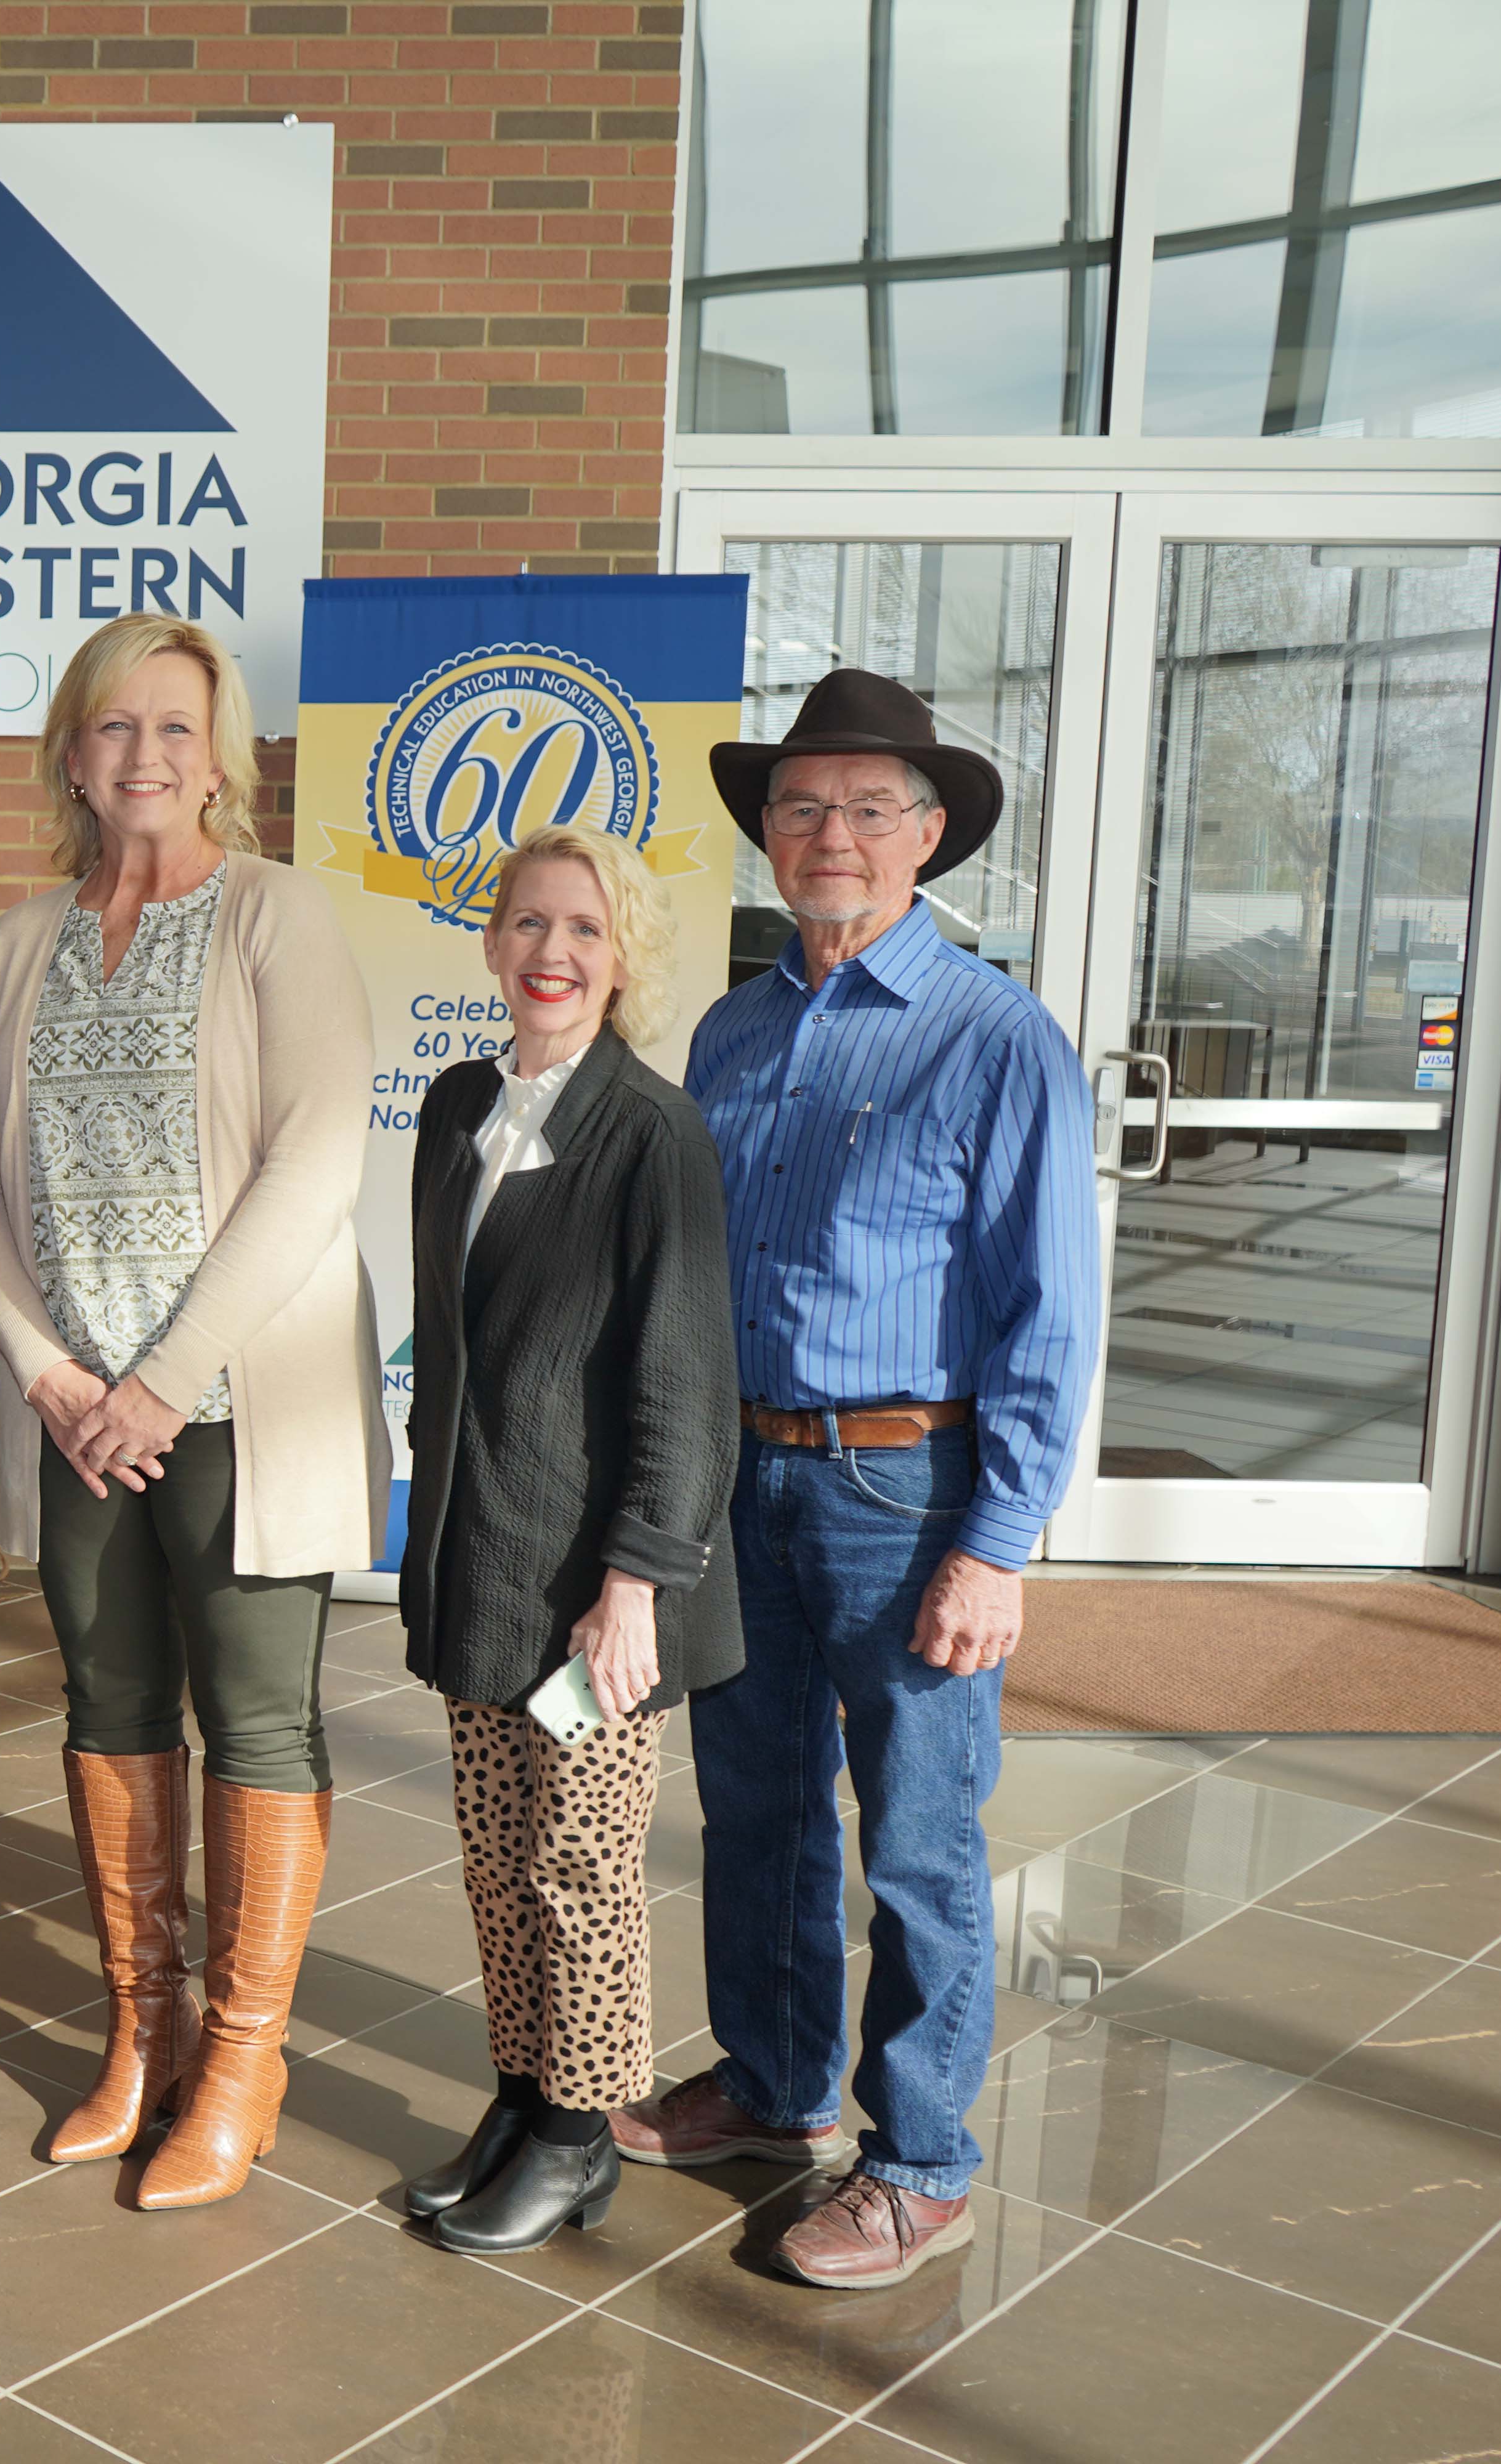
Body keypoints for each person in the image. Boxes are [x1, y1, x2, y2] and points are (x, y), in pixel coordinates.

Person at [625, 668, 1097, 2288]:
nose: (832, 833)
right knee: (751, 1808)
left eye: (871, 807)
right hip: (739, 1484)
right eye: (803, 804)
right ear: (767, 832)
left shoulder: (996, 1039)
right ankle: (769, 2085)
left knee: (917, 1839)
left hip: (906, 1497)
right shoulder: (732, 1027)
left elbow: (1050, 1313)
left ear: (932, 834)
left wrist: (1001, 1541)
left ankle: (921, 2162)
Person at [0, 612, 382, 2211]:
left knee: (257, 1718)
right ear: (72, 751)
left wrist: (159, 1380)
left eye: (177, 729)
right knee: (108, 1703)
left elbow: (315, 1163)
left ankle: (244, 2062)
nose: (144, 754)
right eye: (114, 727)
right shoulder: (16, 944)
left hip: (233, 1404)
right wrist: (58, 1380)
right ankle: (138, 2035)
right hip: (78, 1420)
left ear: (224, 755)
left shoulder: (278, 919)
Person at [395, 822, 740, 2255]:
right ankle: (527, 2094)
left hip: (596, 1585)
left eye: (585, 930)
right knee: (492, 1850)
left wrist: (635, 1583)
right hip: (488, 1556)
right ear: (491, 941)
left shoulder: (650, 1132)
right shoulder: (457, 1102)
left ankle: (585, 2134)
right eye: (529, 922)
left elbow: (681, 1380)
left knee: (582, 1865)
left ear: (624, 959)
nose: (552, 951)